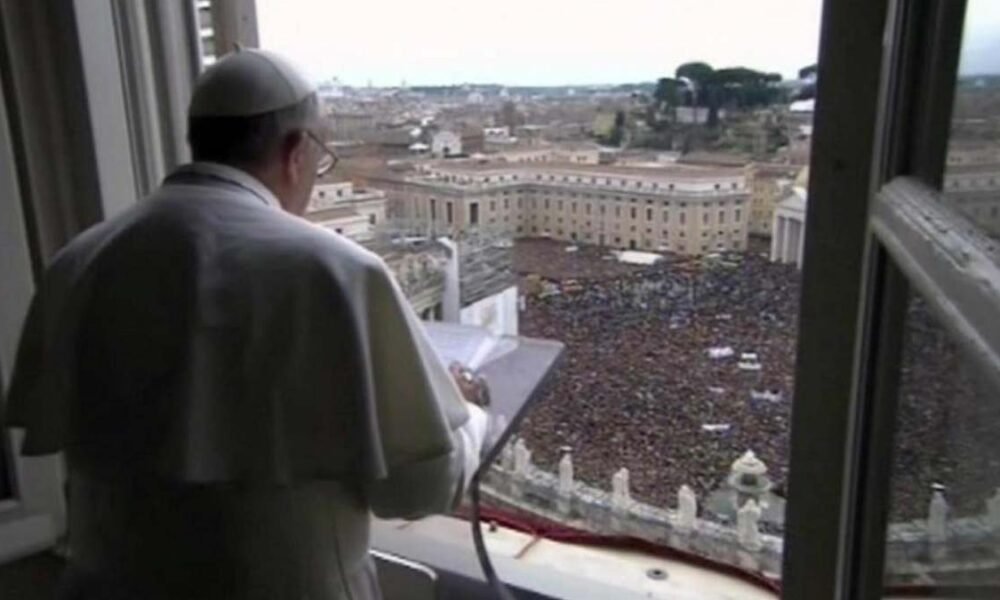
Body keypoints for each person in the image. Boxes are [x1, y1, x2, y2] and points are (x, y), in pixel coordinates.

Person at [2, 48, 488, 600]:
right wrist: (470, 411)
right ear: (296, 151)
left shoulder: (78, 260)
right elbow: (418, 486)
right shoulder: (333, 271)